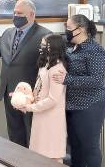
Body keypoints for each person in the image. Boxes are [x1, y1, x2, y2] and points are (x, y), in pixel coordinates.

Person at [0, 0, 51, 147]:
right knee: (14, 133)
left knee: (32, 134)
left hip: (31, 95)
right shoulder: (8, 33)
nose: (15, 16)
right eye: (14, 12)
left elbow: (49, 66)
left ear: (31, 15)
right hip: (9, 92)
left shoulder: (45, 35)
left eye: (19, 13)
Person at [53, 14, 105, 167]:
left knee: (89, 148)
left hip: (90, 106)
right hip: (71, 105)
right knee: (74, 148)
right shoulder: (70, 46)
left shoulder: (95, 50)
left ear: (81, 29)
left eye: (69, 28)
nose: (66, 31)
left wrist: (67, 79)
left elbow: (96, 81)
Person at [19, 34, 67, 163]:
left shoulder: (57, 69)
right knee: (39, 154)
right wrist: (25, 99)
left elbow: (53, 99)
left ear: (54, 47)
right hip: (40, 114)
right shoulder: (45, 65)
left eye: (45, 45)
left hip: (51, 118)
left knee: (53, 154)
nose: (41, 48)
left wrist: (30, 107)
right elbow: (38, 88)